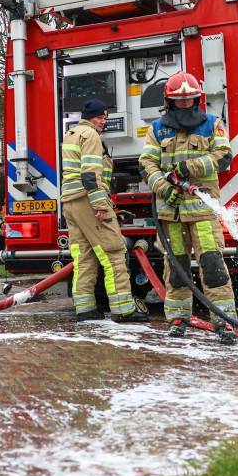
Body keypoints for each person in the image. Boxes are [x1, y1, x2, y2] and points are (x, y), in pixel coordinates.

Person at [139, 73, 238, 344]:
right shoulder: (157, 128)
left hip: (202, 211)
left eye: (189, 100)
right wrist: (164, 187)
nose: (185, 105)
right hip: (170, 212)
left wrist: (188, 168)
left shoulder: (212, 125)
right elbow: (147, 163)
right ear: (170, 102)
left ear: (197, 99)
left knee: (212, 265)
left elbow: (224, 156)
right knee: (176, 267)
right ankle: (178, 320)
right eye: (179, 101)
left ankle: (224, 321)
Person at [60, 99, 148, 323]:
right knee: (113, 252)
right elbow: (90, 175)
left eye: (105, 118)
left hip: (70, 202)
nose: (103, 122)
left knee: (84, 256)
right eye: (100, 118)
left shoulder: (70, 134)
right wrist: (100, 205)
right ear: (90, 117)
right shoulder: (90, 136)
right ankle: (123, 309)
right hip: (88, 201)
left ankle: (85, 308)